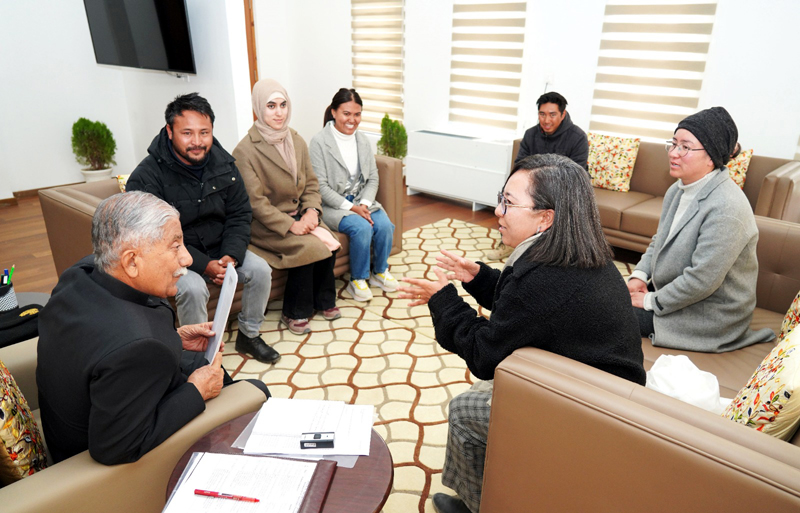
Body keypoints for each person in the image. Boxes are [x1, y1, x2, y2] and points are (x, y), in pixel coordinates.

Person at [399, 154, 645, 513]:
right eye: (501, 198)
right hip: (602, 390)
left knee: (466, 409)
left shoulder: (545, 275)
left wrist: (444, 300)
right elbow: (529, 312)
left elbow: (485, 354)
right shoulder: (577, 253)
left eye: (508, 203)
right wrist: (478, 277)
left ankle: (478, 505)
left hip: (593, 414)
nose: (497, 211)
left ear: (545, 218)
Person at [36, 192, 270, 465]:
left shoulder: (81, 274)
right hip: (94, 464)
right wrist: (197, 391)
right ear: (131, 261)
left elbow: (104, 349)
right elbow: (115, 448)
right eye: (175, 246)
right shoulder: (138, 346)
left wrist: (175, 338)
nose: (186, 259)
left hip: (80, 414)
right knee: (254, 389)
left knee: (199, 360)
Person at [126, 93, 279, 364]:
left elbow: (240, 213)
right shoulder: (146, 176)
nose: (197, 142)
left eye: (204, 133)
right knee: (194, 288)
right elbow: (155, 238)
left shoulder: (226, 164)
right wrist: (203, 264)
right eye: (187, 133)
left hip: (221, 245)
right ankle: (194, 356)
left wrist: (231, 255)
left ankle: (249, 334)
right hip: (173, 254)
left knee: (260, 270)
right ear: (169, 131)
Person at [628, 107, 775, 352]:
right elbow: (659, 240)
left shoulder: (727, 206)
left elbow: (702, 280)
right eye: (673, 144)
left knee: (608, 317)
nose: (673, 153)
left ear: (711, 157)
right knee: (605, 295)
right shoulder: (677, 189)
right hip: (675, 290)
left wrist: (650, 300)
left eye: (685, 147)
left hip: (709, 312)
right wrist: (639, 276)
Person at [233, 79, 340, 335]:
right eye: (271, 106)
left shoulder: (296, 140)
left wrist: (312, 211)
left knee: (331, 241)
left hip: (301, 214)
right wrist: (292, 225)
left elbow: (311, 184)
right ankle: (294, 312)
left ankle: (322, 300)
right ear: (259, 108)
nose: (279, 112)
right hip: (266, 225)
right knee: (308, 248)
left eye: (282, 105)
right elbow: (256, 204)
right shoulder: (245, 151)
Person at [309, 88, 397, 302]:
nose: (352, 119)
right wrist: (353, 209)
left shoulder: (363, 141)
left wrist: (364, 204)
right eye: (346, 113)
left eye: (357, 114)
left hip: (362, 202)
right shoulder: (319, 142)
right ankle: (357, 279)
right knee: (361, 227)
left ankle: (379, 272)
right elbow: (320, 187)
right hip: (333, 206)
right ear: (333, 112)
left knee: (385, 225)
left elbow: (373, 178)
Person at [486, 91, 588, 261]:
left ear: (563, 114)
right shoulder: (531, 134)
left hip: (564, 189)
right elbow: (520, 164)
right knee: (510, 196)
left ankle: (553, 252)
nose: (546, 120)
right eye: (542, 114)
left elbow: (576, 175)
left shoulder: (578, 137)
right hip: (532, 187)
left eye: (552, 114)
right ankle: (509, 242)